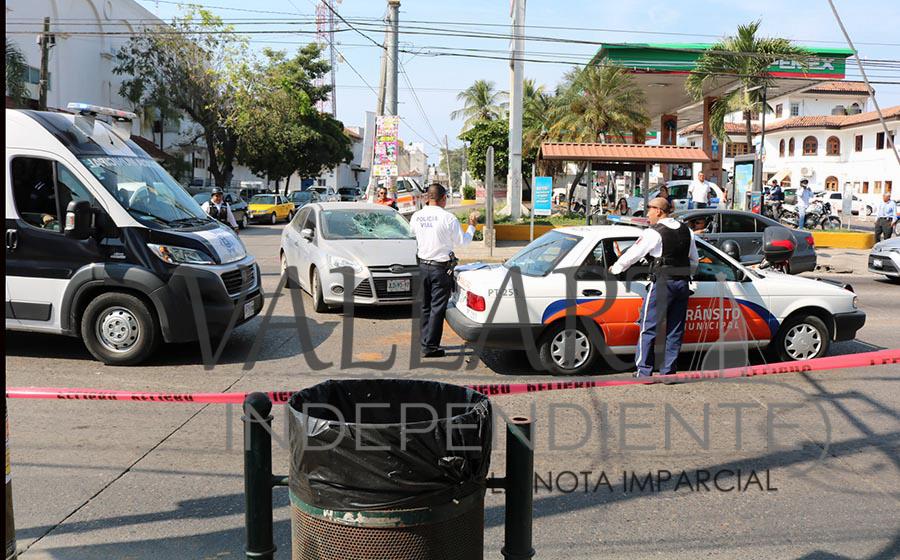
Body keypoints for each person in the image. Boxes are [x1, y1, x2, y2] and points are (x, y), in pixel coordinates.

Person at [609, 197, 699, 378]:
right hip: (682, 284)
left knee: (648, 327)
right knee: (675, 329)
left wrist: (615, 269)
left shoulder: (654, 232)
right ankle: (669, 372)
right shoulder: (687, 231)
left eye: (649, 209)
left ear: (658, 211)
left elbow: (633, 255)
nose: (647, 213)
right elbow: (694, 261)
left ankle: (644, 371)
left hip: (662, 284)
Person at [410, 184, 479, 358]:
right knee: (437, 308)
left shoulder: (416, 216)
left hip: (422, 266)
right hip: (440, 269)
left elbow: (413, 235)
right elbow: (463, 242)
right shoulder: (448, 218)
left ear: (428, 197)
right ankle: (430, 347)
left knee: (425, 306)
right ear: (443, 198)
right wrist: (472, 226)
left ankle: (424, 342)